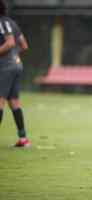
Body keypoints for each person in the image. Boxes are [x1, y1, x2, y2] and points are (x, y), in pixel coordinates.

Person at [0, 0, 30, 147]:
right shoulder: (12, 23)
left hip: (5, 67)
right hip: (17, 66)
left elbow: (10, 42)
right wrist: (14, 56)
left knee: (0, 102)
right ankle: (23, 138)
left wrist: (7, 57)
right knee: (14, 103)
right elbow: (24, 45)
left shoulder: (1, 22)